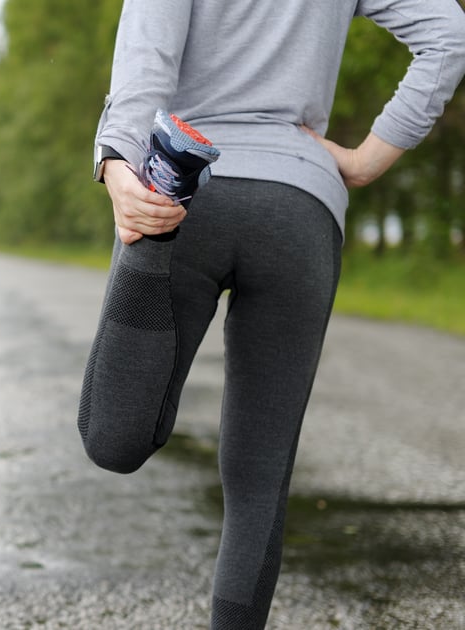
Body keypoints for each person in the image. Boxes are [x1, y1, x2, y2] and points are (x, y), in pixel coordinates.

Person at [78, 1, 465, 628]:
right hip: (300, 206)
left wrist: (117, 162)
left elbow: (147, 57)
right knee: (259, 479)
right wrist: (368, 158)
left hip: (182, 191)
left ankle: (149, 267)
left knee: (111, 438)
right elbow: (449, 32)